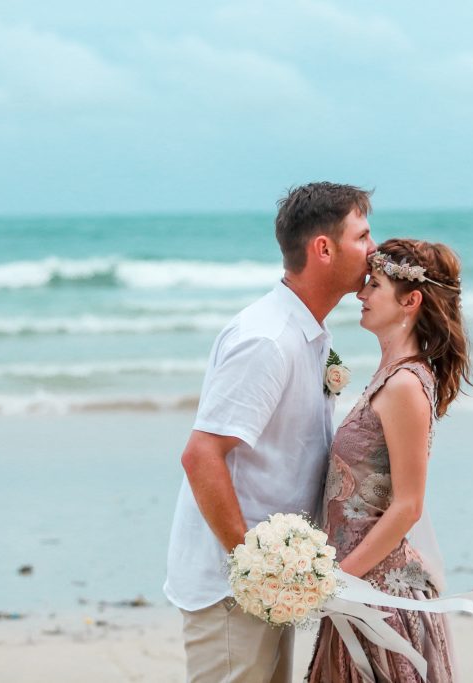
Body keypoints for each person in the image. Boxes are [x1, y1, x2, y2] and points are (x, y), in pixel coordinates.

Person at [164, 182, 376, 683]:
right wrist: (255, 568)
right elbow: (201, 456)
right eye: (363, 236)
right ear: (323, 248)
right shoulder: (266, 339)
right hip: (233, 585)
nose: (374, 249)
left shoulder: (308, 331)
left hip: (272, 580)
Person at [306, 238, 471, 683]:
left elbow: (408, 506)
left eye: (373, 285)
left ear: (410, 301)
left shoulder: (404, 386)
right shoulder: (390, 376)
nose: (360, 295)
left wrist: (337, 580)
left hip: (380, 594)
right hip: (358, 588)